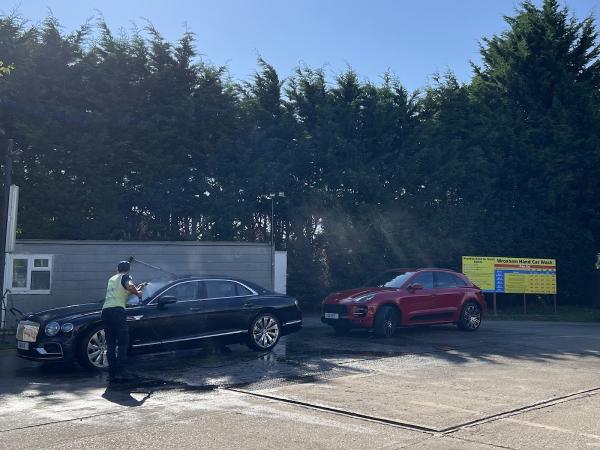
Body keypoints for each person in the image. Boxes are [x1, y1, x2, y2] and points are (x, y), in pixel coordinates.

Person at [102, 260, 143, 382]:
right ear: (128, 270)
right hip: (117, 312)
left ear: (117, 269)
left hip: (106, 311)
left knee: (110, 343)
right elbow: (129, 286)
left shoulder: (112, 279)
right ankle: (121, 372)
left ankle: (112, 373)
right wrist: (138, 294)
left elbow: (124, 290)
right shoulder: (126, 276)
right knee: (123, 342)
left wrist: (138, 288)